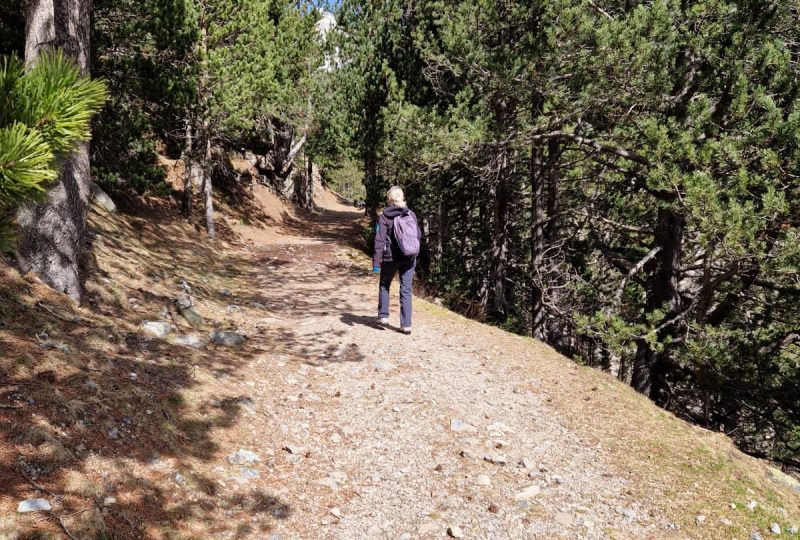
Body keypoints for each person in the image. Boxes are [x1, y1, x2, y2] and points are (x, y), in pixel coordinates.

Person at [372, 186, 420, 334]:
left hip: (390, 257)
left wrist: (376, 263)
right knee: (406, 289)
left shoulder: (384, 216)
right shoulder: (410, 214)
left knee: (384, 285)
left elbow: (379, 240)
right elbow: (418, 235)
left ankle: (384, 316)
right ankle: (406, 325)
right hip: (409, 257)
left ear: (389, 199)